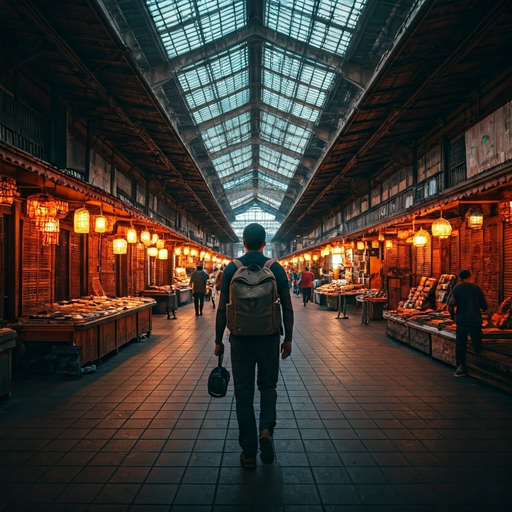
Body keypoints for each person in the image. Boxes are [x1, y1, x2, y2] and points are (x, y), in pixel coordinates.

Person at [215, 223, 294, 469]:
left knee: (243, 394)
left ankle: (248, 452)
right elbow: (288, 307)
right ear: (264, 243)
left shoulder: (231, 269)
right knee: (268, 387)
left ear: (243, 241)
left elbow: (222, 308)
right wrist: (288, 338)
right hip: (269, 338)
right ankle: (266, 431)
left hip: (239, 339)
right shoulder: (275, 269)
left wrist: (218, 340)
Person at [448, 269, 488, 377]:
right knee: (477, 343)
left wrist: (453, 317)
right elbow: (484, 306)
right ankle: (482, 368)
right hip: (475, 320)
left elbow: (450, 305)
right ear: (470, 276)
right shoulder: (476, 288)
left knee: (461, 344)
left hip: (462, 320)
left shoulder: (456, 288)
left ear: (459, 277)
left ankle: (461, 368)